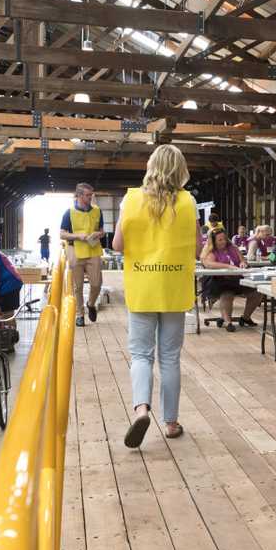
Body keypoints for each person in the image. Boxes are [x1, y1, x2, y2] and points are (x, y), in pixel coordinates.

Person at [113, 144, 198, 448]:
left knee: (140, 355)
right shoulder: (188, 202)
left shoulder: (131, 199)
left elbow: (118, 244)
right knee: (170, 357)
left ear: (150, 166)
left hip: (142, 287)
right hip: (174, 287)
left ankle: (140, 410)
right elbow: (198, 247)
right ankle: (171, 422)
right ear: (180, 169)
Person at [200, 228, 263, 333]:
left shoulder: (233, 248)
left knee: (258, 292)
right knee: (227, 294)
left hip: (236, 279)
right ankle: (227, 322)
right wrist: (228, 266)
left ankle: (246, 318)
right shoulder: (210, 251)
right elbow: (209, 264)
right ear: (214, 241)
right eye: (220, 240)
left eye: (224, 239)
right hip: (219, 281)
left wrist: (243, 263)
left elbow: (242, 260)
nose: (223, 242)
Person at [60, 182, 106, 327]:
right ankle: (79, 315)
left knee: (97, 283)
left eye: (91, 194)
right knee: (77, 286)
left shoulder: (97, 211)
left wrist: (98, 234)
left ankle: (91, 304)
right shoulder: (69, 212)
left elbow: (102, 230)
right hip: (75, 251)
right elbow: (62, 234)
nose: (90, 197)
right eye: (87, 195)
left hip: (93, 250)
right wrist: (78, 236)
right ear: (79, 195)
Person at [0, 251, 25, 318]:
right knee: (2, 311)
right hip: (13, 282)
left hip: (9, 284)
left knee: (5, 312)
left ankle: (8, 327)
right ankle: (5, 327)